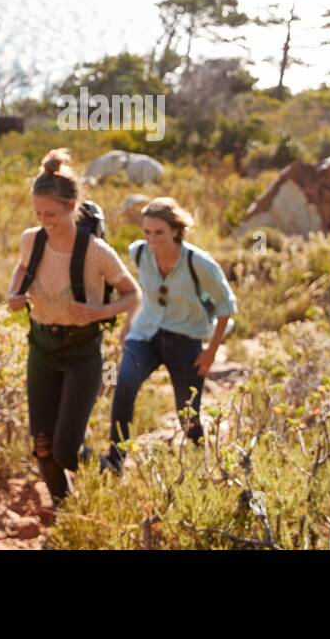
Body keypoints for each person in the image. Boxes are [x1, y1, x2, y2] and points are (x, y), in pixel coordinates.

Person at [5, 149, 140, 504]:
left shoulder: (96, 251)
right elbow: (21, 269)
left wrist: (98, 312)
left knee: (66, 451)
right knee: (42, 449)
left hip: (82, 353)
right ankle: (69, 516)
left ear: (71, 206)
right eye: (38, 213)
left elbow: (133, 295)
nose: (43, 220)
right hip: (42, 347)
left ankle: (109, 471)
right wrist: (14, 293)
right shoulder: (30, 239)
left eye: (50, 213)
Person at [101, 197, 237, 474]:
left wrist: (210, 351)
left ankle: (204, 462)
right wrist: (128, 327)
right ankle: (115, 459)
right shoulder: (138, 253)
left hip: (185, 339)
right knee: (124, 385)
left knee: (187, 413)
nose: (152, 239)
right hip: (146, 334)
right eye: (147, 232)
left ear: (175, 230)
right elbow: (140, 292)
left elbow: (226, 306)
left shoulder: (198, 263)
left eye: (159, 232)